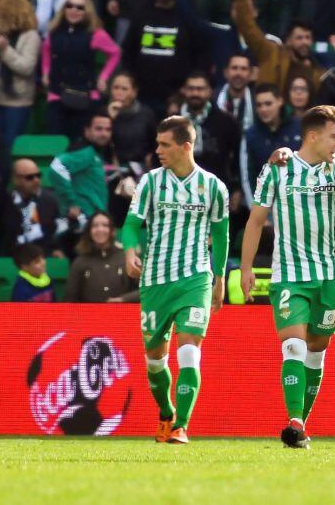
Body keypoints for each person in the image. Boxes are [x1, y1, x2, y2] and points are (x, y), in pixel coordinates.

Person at [240, 105, 335, 448]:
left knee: (317, 349)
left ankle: (301, 426)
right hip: (289, 275)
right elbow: (255, 220)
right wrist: (247, 267)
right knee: (293, 345)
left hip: (327, 275)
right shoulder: (278, 169)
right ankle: (294, 418)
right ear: (313, 136)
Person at [122, 115, 229, 444]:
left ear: (185, 146)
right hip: (155, 280)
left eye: (165, 144)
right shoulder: (151, 182)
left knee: (189, 352)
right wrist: (129, 252)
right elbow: (130, 225)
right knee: (155, 363)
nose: (158, 150)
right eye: (157, 143)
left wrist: (220, 276)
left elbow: (222, 235)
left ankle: (181, 425)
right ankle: (167, 412)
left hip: (195, 278)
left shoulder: (213, 187)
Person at [42, 0, 121, 140]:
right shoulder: (54, 31)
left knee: (81, 142)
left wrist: (103, 78)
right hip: (57, 94)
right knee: (56, 140)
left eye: (79, 7)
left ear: (87, 12)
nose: (74, 10)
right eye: (70, 6)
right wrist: (46, 72)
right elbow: (46, 49)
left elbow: (115, 53)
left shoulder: (95, 33)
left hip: (85, 96)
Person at [0, 0, 40, 150]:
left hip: (18, 101)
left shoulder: (31, 36)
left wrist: (5, 50)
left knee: (9, 145)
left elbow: (26, 67)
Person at [239, 84, 302, 205]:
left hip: (298, 204)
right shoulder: (250, 135)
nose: (263, 109)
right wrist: (255, 209)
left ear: (280, 101)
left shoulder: (299, 128)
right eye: (259, 105)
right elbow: (247, 175)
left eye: (268, 104)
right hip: (265, 206)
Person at [50, 112, 113, 225]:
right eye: (99, 129)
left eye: (108, 129)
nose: (104, 133)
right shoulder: (85, 152)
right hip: (85, 219)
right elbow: (57, 167)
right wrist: (71, 203)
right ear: (87, 131)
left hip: (93, 218)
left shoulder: (95, 152)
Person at [64, 211, 137, 302]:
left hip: (124, 314)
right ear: (89, 231)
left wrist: (123, 299)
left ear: (112, 231)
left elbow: (144, 291)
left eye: (105, 225)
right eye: (95, 226)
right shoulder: (80, 262)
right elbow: (70, 299)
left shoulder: (126, 258)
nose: (100, 229)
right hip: (89, 315)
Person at [0, 158, 62, 255]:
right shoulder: (3, 203)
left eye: (38, 175)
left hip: (45, 256)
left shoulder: (51, 201)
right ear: (15, 180)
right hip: (11, 257)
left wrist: (57, 250)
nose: (36, 180)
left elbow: (57, 233)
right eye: (29, 177)